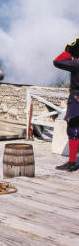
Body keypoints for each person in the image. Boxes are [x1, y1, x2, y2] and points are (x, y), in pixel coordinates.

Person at [53, 37, 79, 171]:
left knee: (73, 129)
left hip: (76, 99)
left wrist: (68, 51)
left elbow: (57, 61)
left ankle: (72, 162)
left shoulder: (76, 63)